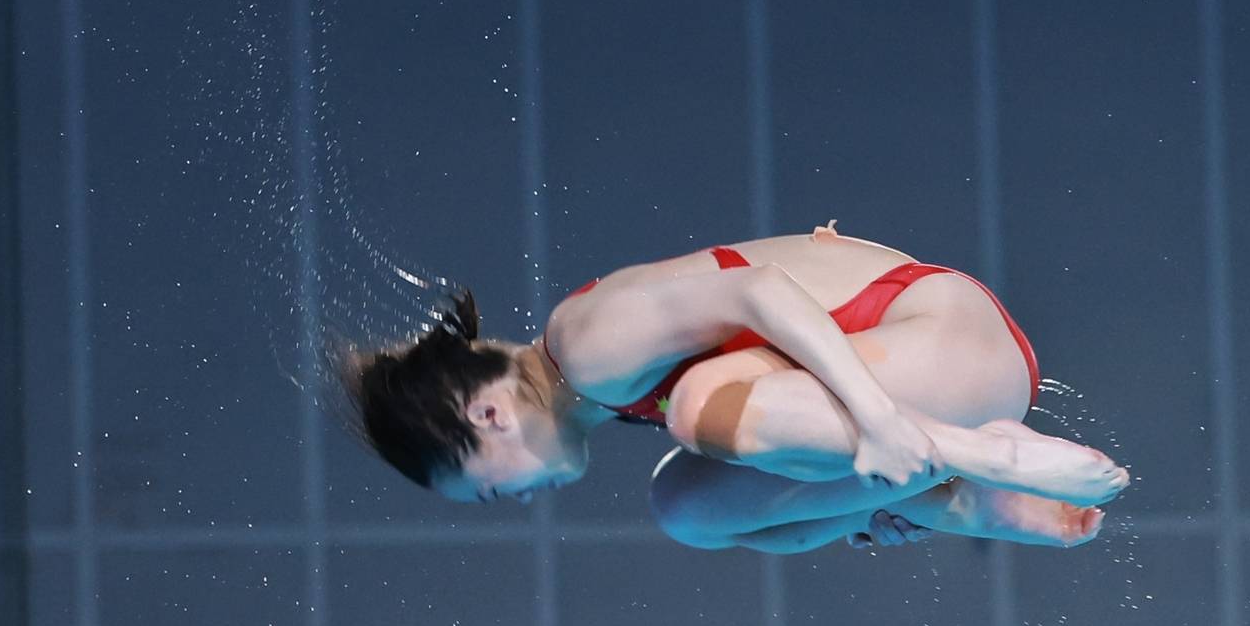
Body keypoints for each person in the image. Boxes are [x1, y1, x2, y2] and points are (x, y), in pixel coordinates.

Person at [337, 229, 1128, 552]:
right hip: (930, 376)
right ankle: (957, 499)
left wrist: (885, 425)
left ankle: (978, 459)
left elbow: (763, 293)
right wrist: (849, 501)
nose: (512, 499)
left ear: (489, 412)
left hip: (948, 336)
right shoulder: (598, 387)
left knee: (700, 409)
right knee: (688, 508)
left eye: (487, 491)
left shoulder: (587, 342)